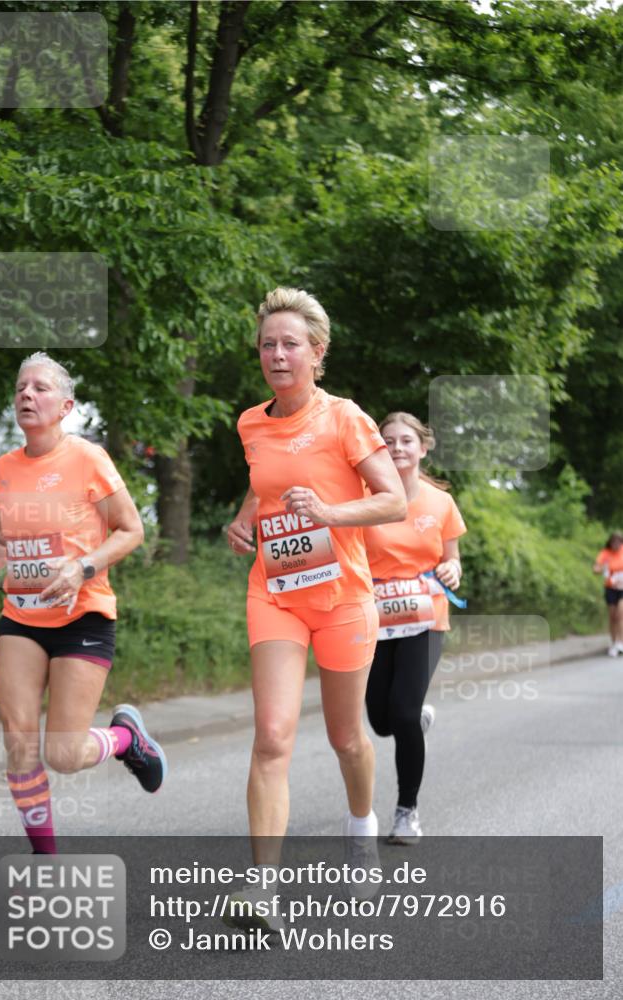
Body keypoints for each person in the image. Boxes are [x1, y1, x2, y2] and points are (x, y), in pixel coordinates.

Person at [225, 287, 406, 927]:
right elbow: (263, 481)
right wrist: (245, 519)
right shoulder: (251, 421)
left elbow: (392, 501)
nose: (277, 354)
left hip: (343, 597)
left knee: (344, 736)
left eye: (290, 344)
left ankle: (361, 824)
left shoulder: (345, 419)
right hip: (274, 591)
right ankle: (264, 890)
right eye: (268, 344)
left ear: (317, 353)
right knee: (272, 736)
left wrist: (330, 513)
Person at [0, 353, 166, 854]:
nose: (27, 394)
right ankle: (46, 861)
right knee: (19, 742)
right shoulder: (3, 469)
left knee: (65, 754)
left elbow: (131, 530)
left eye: (41, 388)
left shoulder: (88, 459)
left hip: (83, 617)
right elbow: (1, 544)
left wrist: (83, 567)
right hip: (21, 619)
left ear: (66, 405)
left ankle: (126, 739)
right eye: (21, 388)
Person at [363, 412, 466, 844]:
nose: (398, 447)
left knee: (401, 715)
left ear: (423, 448)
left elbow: (452, 558)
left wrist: (452, 571)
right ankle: (415, 716)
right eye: (389, 441)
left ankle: (407, 811)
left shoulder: (440, 503)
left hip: (426, 617)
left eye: (407, 440)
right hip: (374, 616)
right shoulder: (364, 498)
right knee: (379, 720)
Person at [593, 531, 623, 657]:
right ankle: (613, 642)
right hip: (610, 588)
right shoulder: (605, 553)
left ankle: (621, 642)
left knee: (620, 614)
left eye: (618, 542)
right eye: (613, 542)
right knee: (612, 617)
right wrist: (601, 569)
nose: (615, 545)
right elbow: (596, 568)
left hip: (622, 588)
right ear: (610, 543)